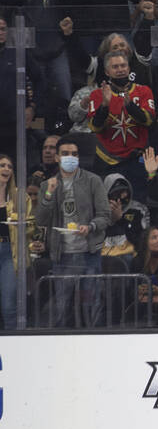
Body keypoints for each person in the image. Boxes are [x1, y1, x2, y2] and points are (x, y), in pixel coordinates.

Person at [36, 136, 112, 328]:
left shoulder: (92, 180)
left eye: (74, 154)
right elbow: (41, 220)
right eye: (66, 154)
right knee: (61, 305)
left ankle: (95, 343)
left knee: (92, 304)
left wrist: (91, 226)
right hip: (62, 255)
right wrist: (48, 194)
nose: (70, 157)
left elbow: (105, 215)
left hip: (89, 253)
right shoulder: (47, 185)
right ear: (57, 158)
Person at [85, 50, 157, 202]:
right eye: (115, 67)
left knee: (138, 205)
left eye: (123, 65)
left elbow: (149, 120)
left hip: (137, 160)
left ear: (129, 68)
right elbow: (95, 127)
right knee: (108, 206)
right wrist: (104, 106)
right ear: (107, 71)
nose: (120, 70)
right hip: (108, 161)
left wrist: (130, 106)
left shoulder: (143, 91)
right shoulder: (97, 95)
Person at [0, 153, 33, 329]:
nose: (6, 169)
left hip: (9, 252)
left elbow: (31, 227)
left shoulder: (20, 196)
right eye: (2, 165)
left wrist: (20, 224)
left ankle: (15, 342)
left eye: (9, 166)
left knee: (8, 305)